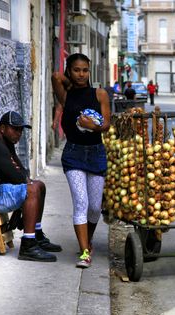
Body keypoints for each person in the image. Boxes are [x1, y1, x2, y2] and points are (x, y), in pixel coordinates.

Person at [0, 111, 61, 262]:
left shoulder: (6, 143)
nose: (19, 133)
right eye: (15, 129)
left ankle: (37, 234)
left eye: (21, 130)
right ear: (2, 128)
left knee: (39, 186)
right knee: (32, 189)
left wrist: (21, 175)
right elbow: (17, 177)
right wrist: (20, 176)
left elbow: (22, 171)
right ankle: (28, 246)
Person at [51, 53, 111, 268]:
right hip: (73, 155)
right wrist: (70, 80)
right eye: (76, 70)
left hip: (96, 153)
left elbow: (105, 125)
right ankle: (84, 252)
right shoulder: (66, 97)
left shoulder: (100, 94)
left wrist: (92, 126)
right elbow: (56, 76)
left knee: (95, 207)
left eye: (85, 70)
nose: (81, 74)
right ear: (70, 71)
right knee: (81, 203)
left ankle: (88, 239)